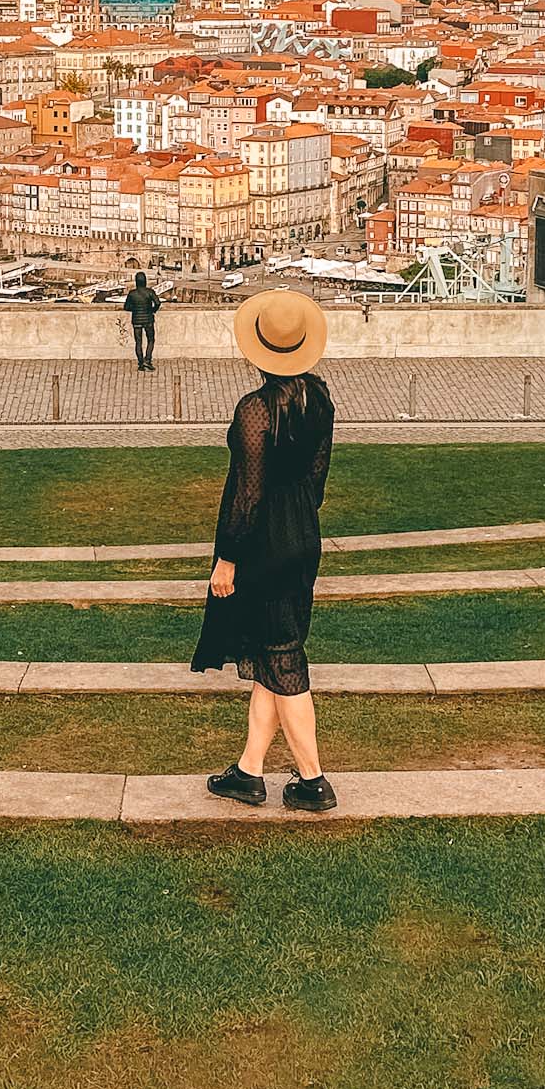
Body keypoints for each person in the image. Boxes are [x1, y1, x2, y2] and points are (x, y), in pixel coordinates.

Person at [192, 289, 337, 812]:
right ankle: (249, 772)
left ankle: (313, 780)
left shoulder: (255, 411)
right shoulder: (320, 400)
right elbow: (317, 479)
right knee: (273, 654)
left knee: (284, 658)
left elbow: (247, 492)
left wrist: (228, 557)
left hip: (264, 544)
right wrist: (299, 518)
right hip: (303, 535)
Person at [122, 269, 161, 371]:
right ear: (145, 281)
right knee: (151, 340)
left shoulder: (132, 293)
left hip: (136, 320)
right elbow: (157, 303)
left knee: (138, 342)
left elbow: (126, 307)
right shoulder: (150, 292)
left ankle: (140, 363)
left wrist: (135, 309)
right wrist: (152, 310)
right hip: (148, 319)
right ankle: (147, 360)